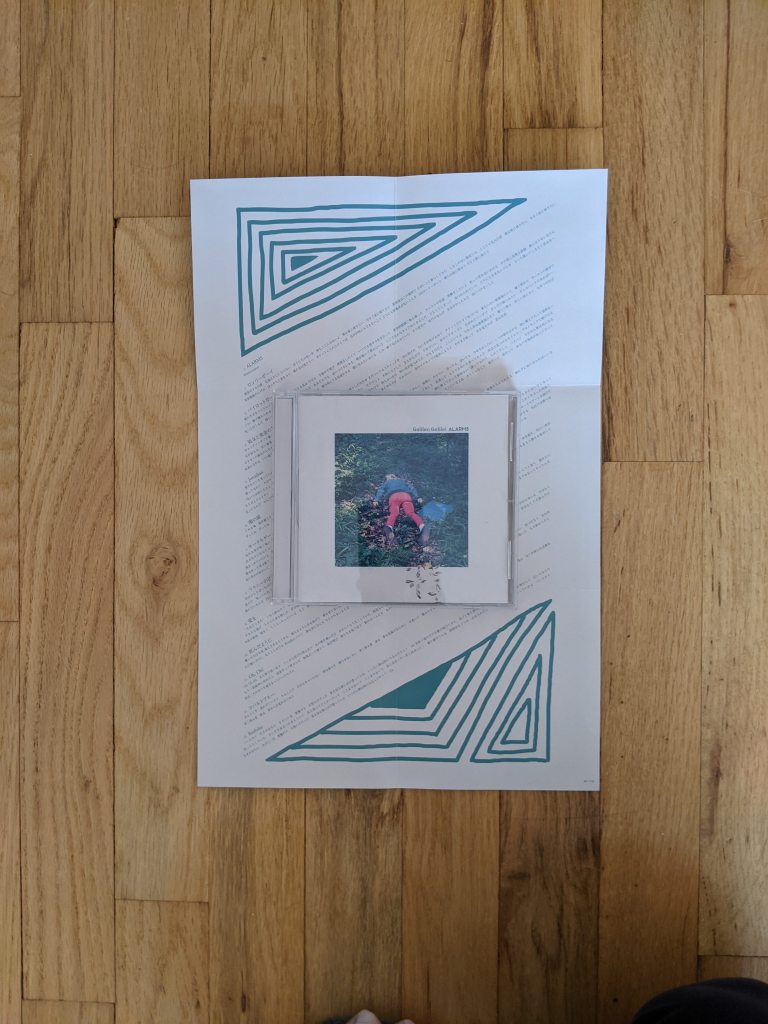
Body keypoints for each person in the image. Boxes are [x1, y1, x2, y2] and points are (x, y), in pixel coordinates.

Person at [373, 473, 431, 547]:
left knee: (394, 513)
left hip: (394, 496)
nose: (386, 479)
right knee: (411, 513)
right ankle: (422, 526)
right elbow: (412, 488)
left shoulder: (387, 482)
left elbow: (381, 490)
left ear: (390, 477)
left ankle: (388, 527)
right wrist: (418, 497)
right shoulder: (402, 481)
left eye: (387, 478)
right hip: (406, 496)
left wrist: (376, 500)